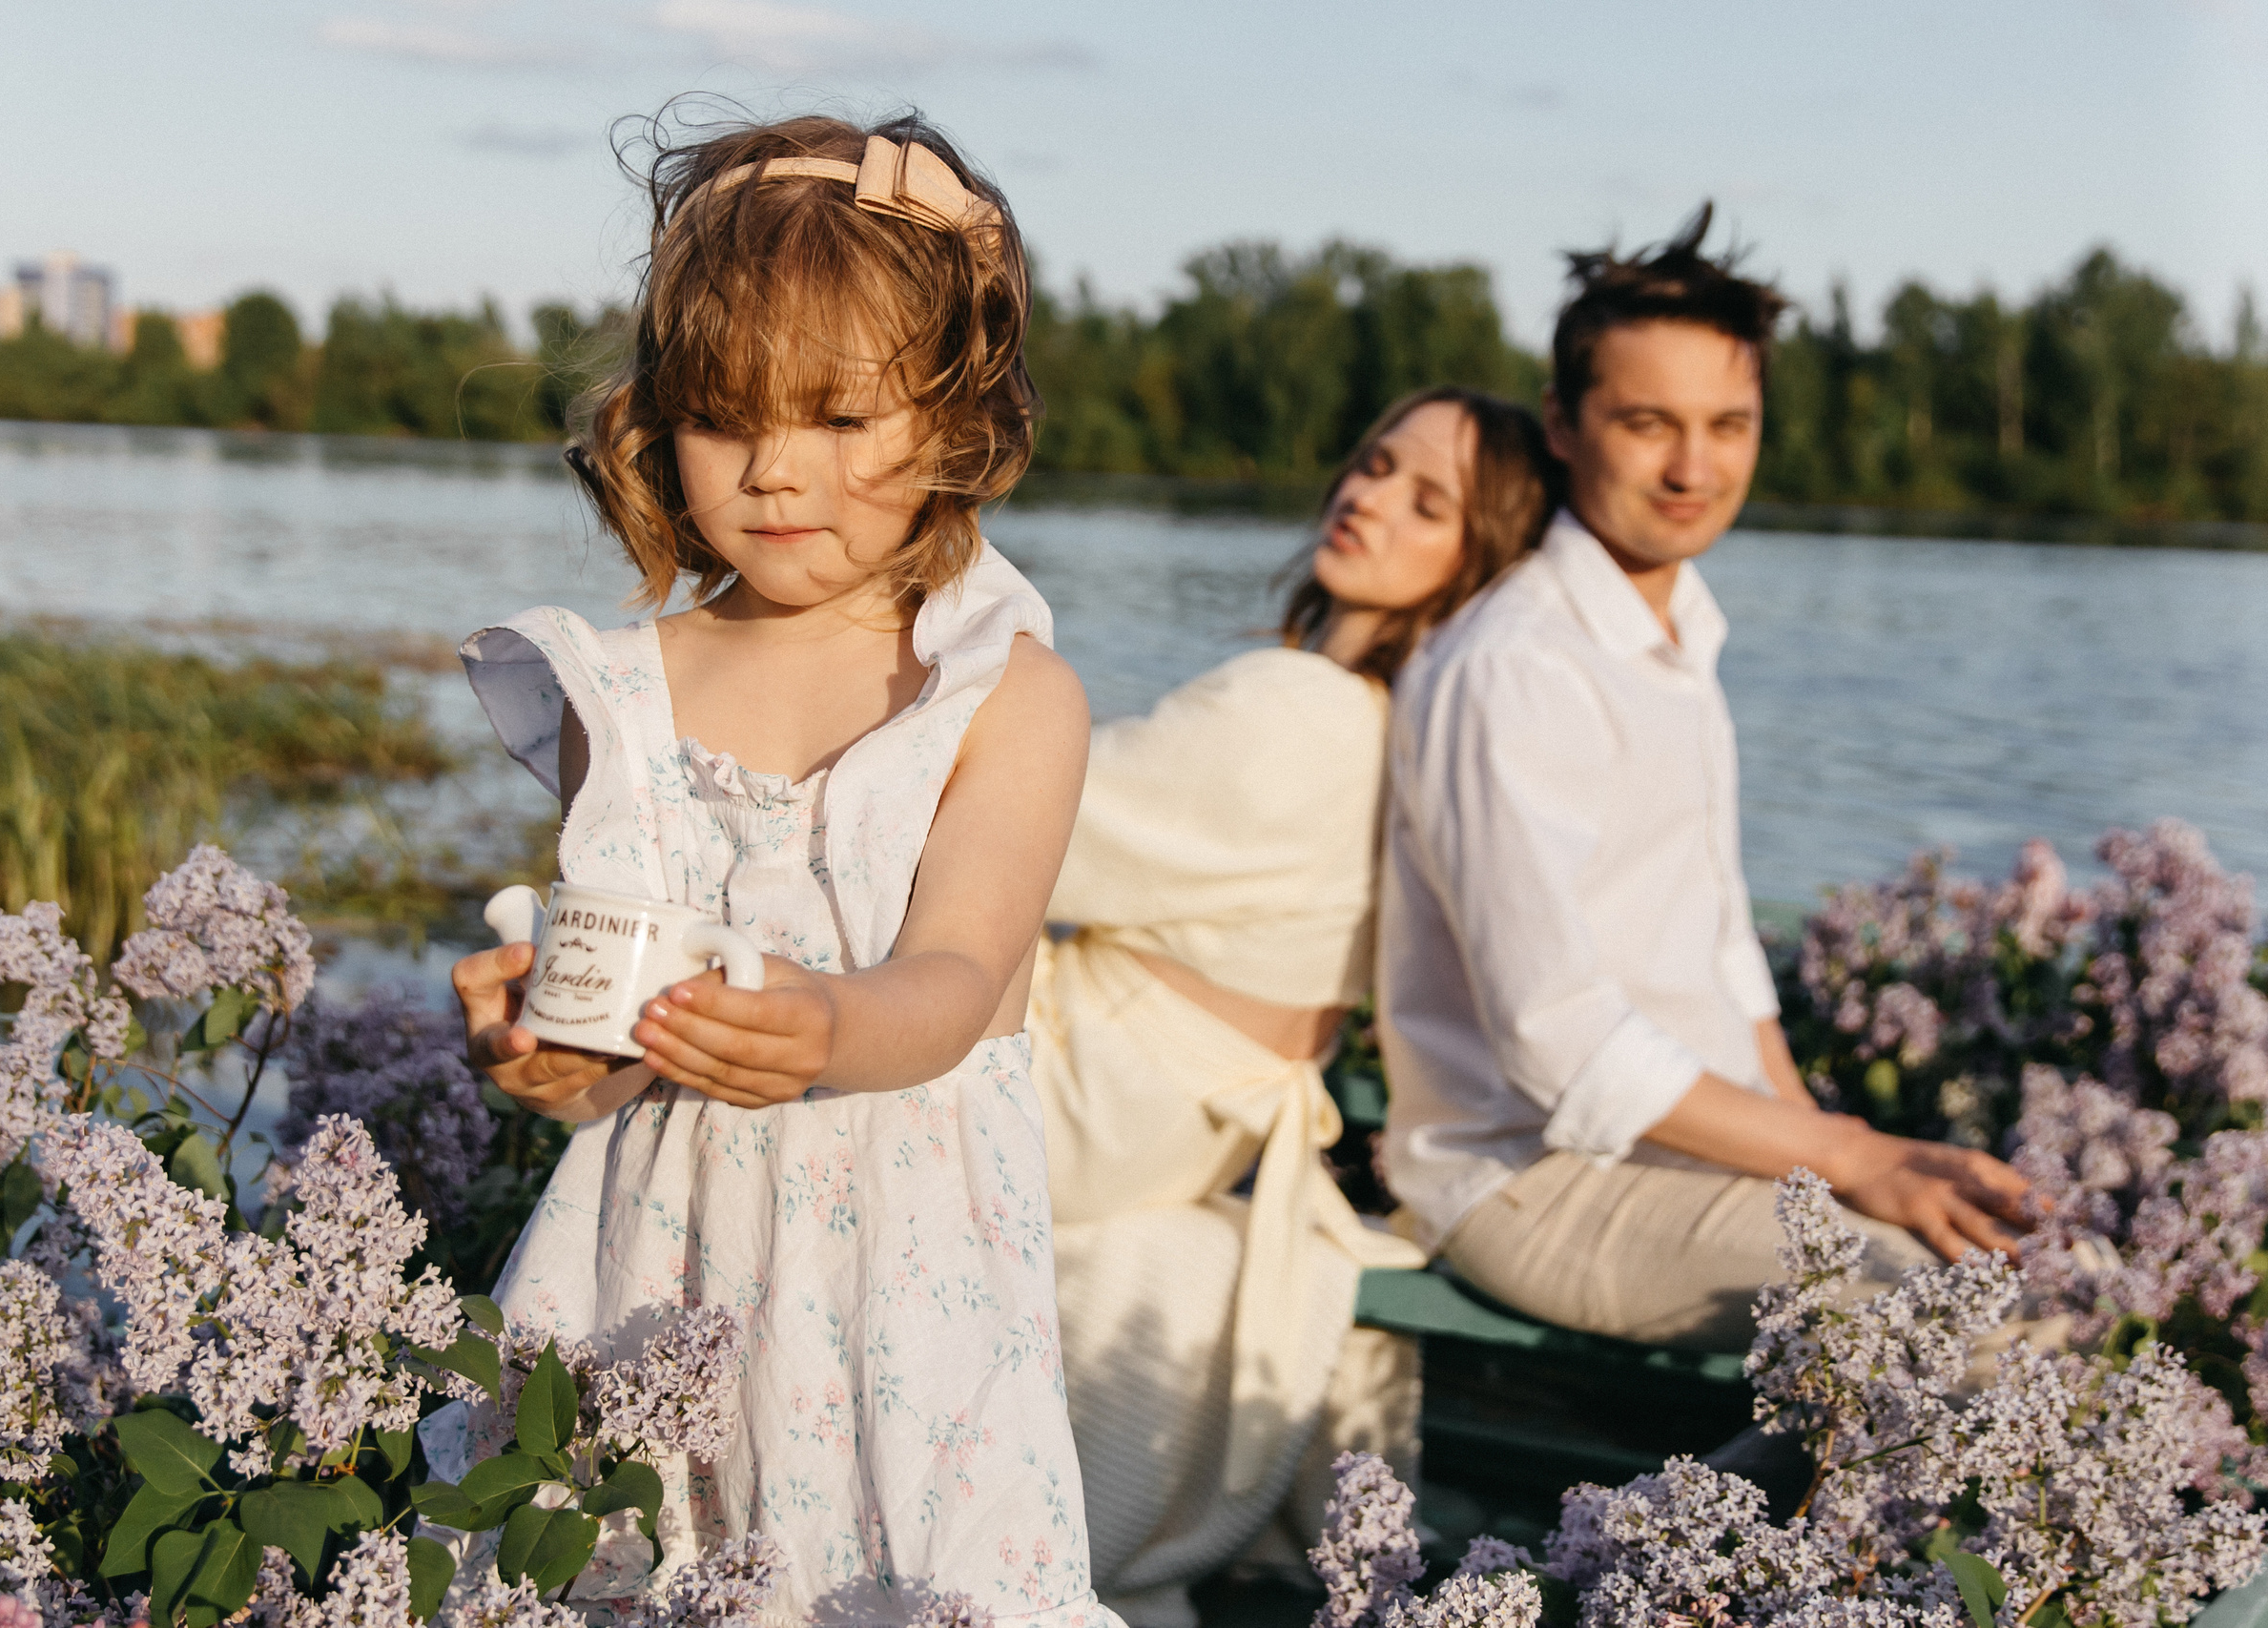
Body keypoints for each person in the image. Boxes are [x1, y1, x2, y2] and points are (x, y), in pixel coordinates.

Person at [446, 113, 1122, 1626]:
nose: (772, 472)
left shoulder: (1004, 696)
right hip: (652, 1261)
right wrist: (553, 1054)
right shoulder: (621, 697)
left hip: (906, 1277)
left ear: (954, 422)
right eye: (724, 416)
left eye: (838, 417)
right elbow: (618, 1037)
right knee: (631, 1569)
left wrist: (828, 1026)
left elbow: (957, 979)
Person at [1376, 208, 2033, 1351]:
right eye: (1648, 423)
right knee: (1955, 1320)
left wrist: (1829, 1147)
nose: (1694, 466)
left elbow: (1725, 957)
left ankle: (1691, 1530)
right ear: (1563, 427)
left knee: (2018, 1262)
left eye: (1728, 425)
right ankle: (1688, 1538)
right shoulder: (1515, 667)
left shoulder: (1679, 637)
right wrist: (1849, 1157)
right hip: (1533, 1179)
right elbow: (1558, 1045)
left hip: (1691, 1153)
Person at [1032, 387, 1559, 1624]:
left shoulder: (1304, 708)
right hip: (1206, 1110)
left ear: (1477, 563)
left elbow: (1037, 833)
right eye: (1375, 463)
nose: (1367, 494)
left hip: (1098, 1092)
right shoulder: (1405, 729)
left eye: (1427, 501)